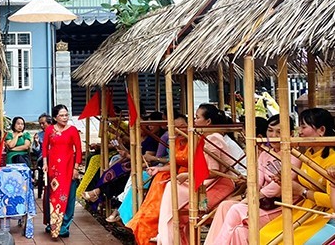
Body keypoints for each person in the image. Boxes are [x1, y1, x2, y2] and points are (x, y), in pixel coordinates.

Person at [204, 114, 301, 245]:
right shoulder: (265, 154)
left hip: (280, 207)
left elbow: (275, 189)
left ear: (291, 133)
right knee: (225, 206)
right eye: (270, 130)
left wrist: (246, 200)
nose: (273, 135)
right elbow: (257, 182)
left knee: (236, 209)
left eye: (279, 131)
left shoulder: (294, 157)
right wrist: (248, 196)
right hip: (262, 202)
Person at [259, 108, 335, 244]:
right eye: (299, 126)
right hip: (306, 210)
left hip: (326, 215)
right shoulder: (309, 152)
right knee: (265, 234)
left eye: (304, 126)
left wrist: (303, 192)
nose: (300, 131)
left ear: (321, 130)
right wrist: (284, 181)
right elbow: (303, 182)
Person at [156, 104, 237, 245]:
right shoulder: (207, 137)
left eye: (197, 117)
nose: (194, 121)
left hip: (218, 184)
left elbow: (213, 171)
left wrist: (187, 175)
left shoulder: (213, 138)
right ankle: (168, 236)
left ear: (208, 122)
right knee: (170, 186)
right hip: (209, 182)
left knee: (172, 188)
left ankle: (169, 237)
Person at [127, 113, 190, 243]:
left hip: (189, 178)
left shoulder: (195, 142)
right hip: (175, 173)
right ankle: (144, 220)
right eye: (175, 127)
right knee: (159, 176)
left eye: (182, 126)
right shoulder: (176, 142)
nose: (179, 130)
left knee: (165, 183)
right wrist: (158, 169)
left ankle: (159, 228)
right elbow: (172, 164)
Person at [42, 104, 82, 239]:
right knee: (52, 196)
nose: (65, 118)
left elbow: (79, 150)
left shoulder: (73, 130)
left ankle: (64, 226)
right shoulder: (49, 130)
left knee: (68, 196)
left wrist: (76, 168)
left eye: (66, 115)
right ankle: (52, 224)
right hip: (53, 169)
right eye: (61, 115)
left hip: (68, 167)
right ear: (55, 117)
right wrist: (45, 164)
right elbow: (45, 147)